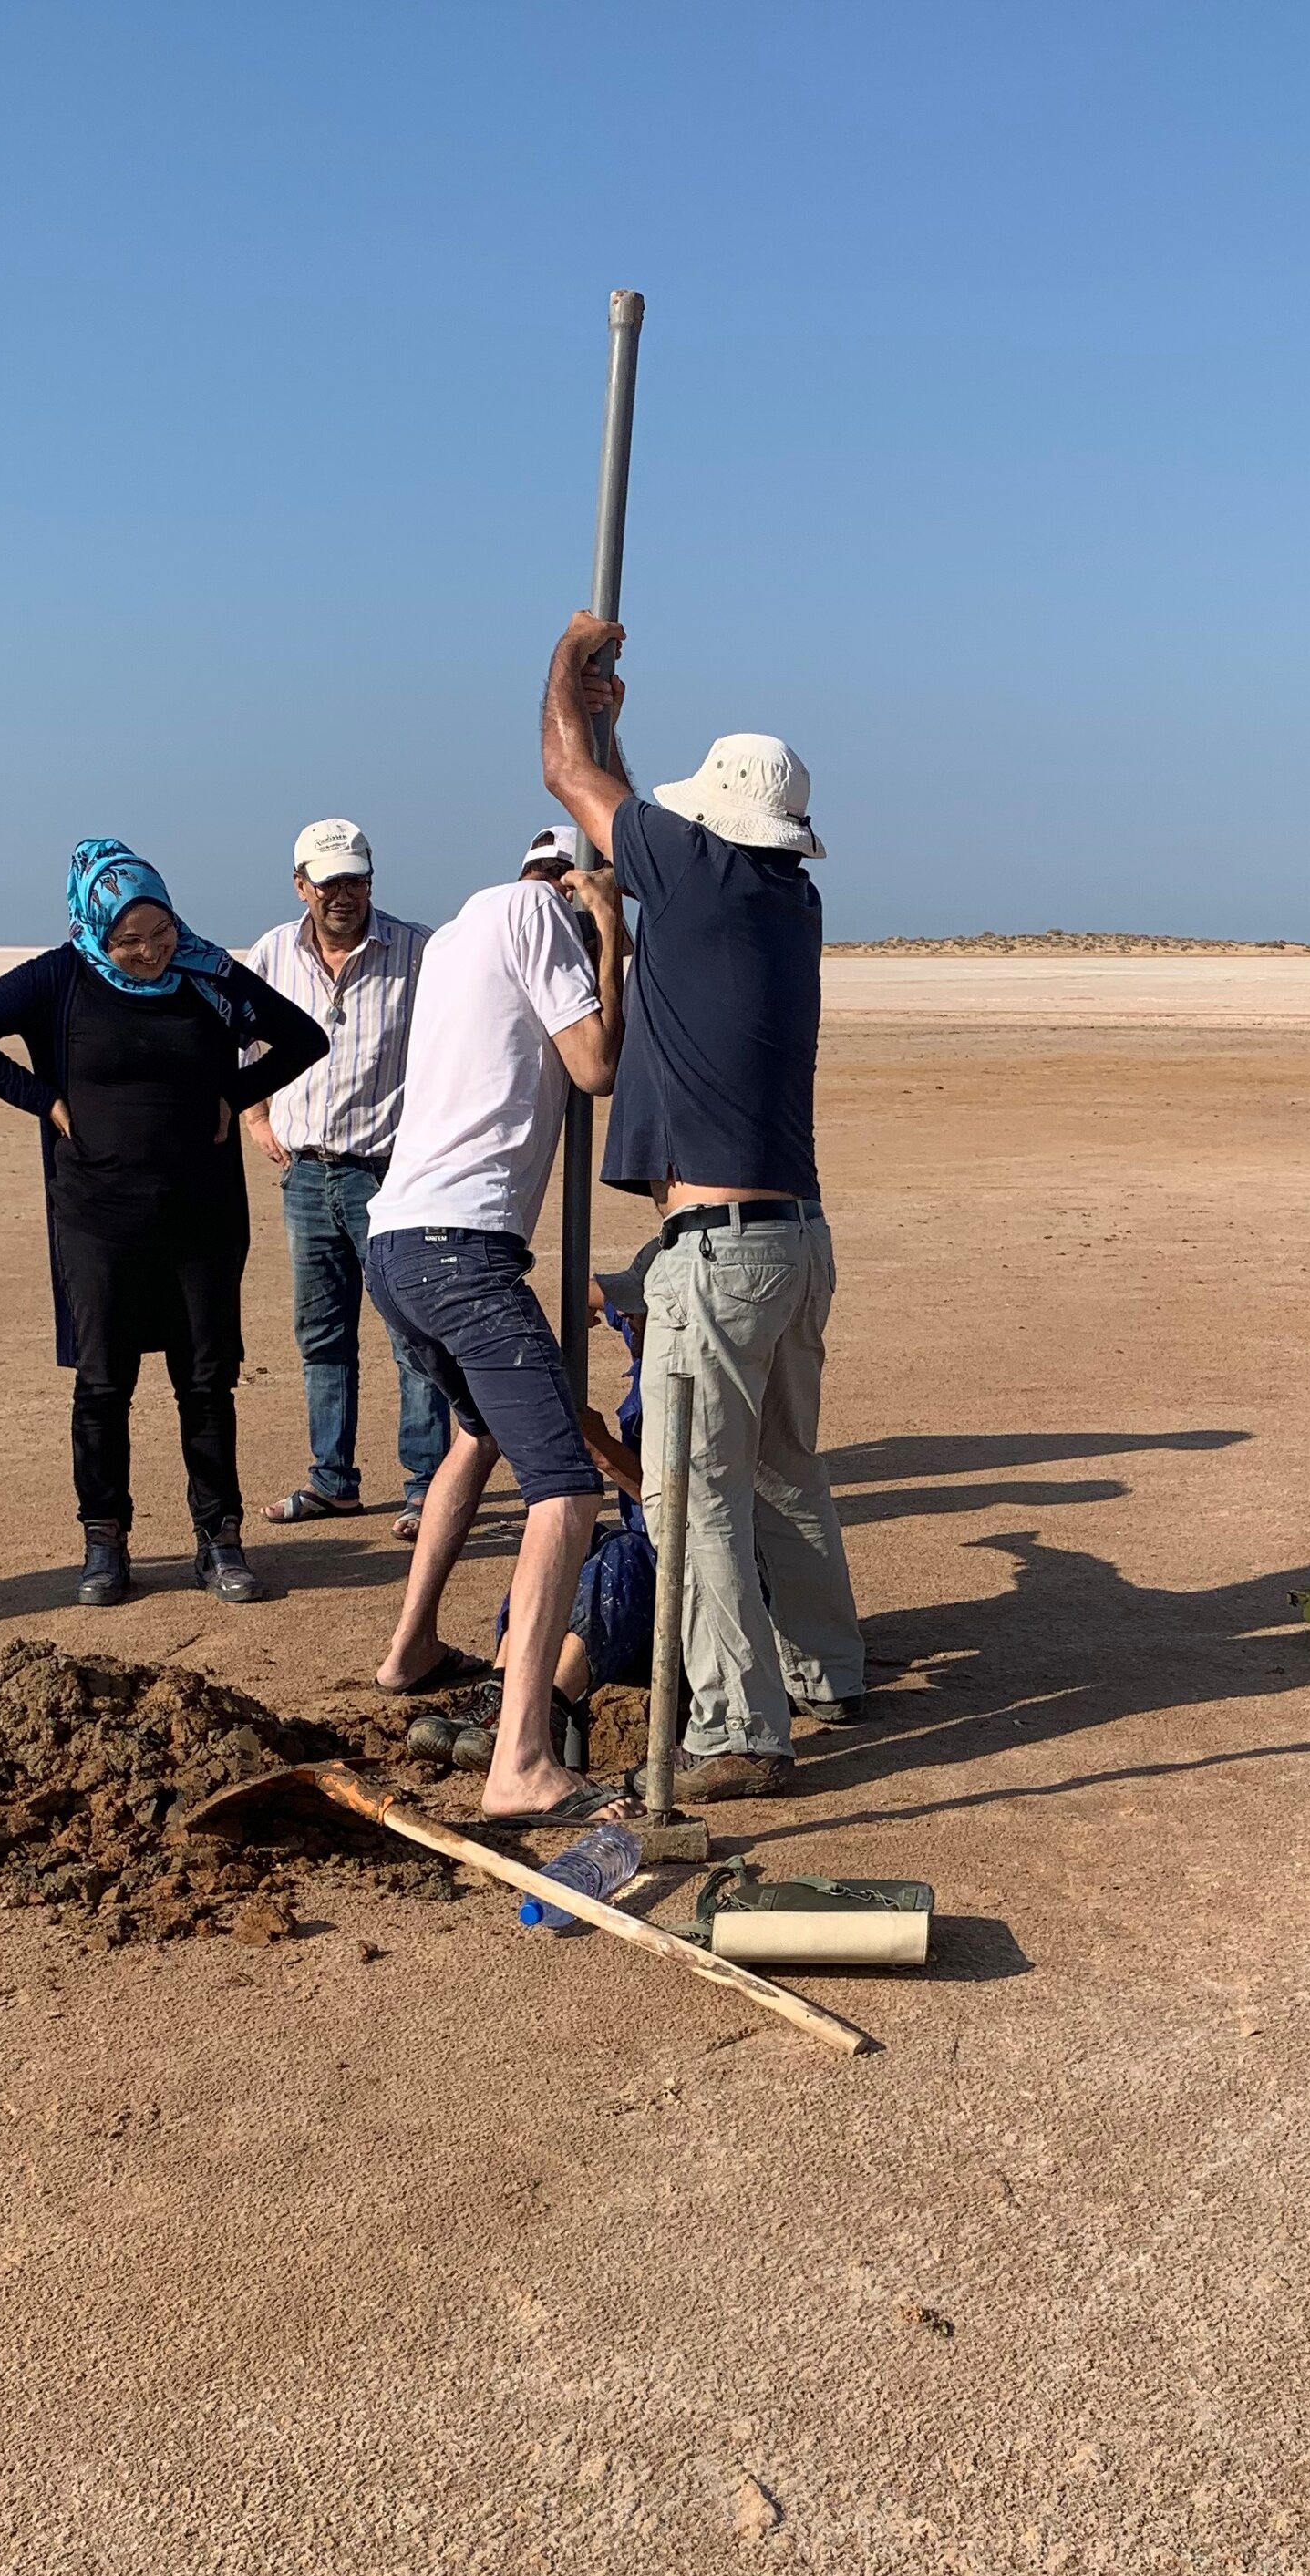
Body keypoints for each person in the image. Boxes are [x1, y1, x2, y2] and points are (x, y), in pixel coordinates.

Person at [540, 611, 865, 1802]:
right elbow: (621, 806)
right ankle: (825, 1671)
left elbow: (569, 772)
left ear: (710, 822)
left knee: (692, 1493)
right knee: (784, 1469)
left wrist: (570, 670)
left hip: (724, 1251)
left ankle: (737, 1727)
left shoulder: (701, 868)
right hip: (796, 1238)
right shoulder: (787, 900)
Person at [0, 838, 326, 1611]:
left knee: (206, 1380)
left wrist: (236, 1090)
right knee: (104, 1384)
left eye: (161, 932)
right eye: (130, 939)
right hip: (96, 1217)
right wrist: (42, 1098)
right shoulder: (58, 978)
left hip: (201, 1214)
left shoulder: (209, 977)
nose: (149, 952)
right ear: (95, 928)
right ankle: (104, 1542)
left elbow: (304, 1037)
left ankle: (220, 1539)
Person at [363, 866, 636, 1826]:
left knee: (474, 1436)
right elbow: (597, 1061)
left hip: (395, 1243)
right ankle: (520, 1759)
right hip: (464, 1250)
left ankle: (410, 1648)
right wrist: (610, 931)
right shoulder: (538, 917)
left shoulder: (456, 935)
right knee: (564, 1487)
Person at [235, 819, 449, 1539]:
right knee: (321, 1333)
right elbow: (241, 1039)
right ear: (302, 885)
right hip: (305, 1174)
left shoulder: (419, 950)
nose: (343, 895)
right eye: (328, 883)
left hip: (390, 1176)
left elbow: (456, 1044)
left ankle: (426, 1484)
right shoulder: (271, 953)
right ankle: (333, 1481)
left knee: (411, 1334)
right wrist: (256, 1115)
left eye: (354, 880)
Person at [490, 1248, 660, 1765]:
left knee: (625, 1555)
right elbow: (587, 1291)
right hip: (646, 1552)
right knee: (568, 1542)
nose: (626, 1320)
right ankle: (498, 1693)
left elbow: (685, 1512)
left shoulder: (690, 1381)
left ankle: (549, 1706)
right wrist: (593, 1307)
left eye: (637, 1312)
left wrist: (605, 1453)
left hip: (682, 1570)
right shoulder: (642, 1334)